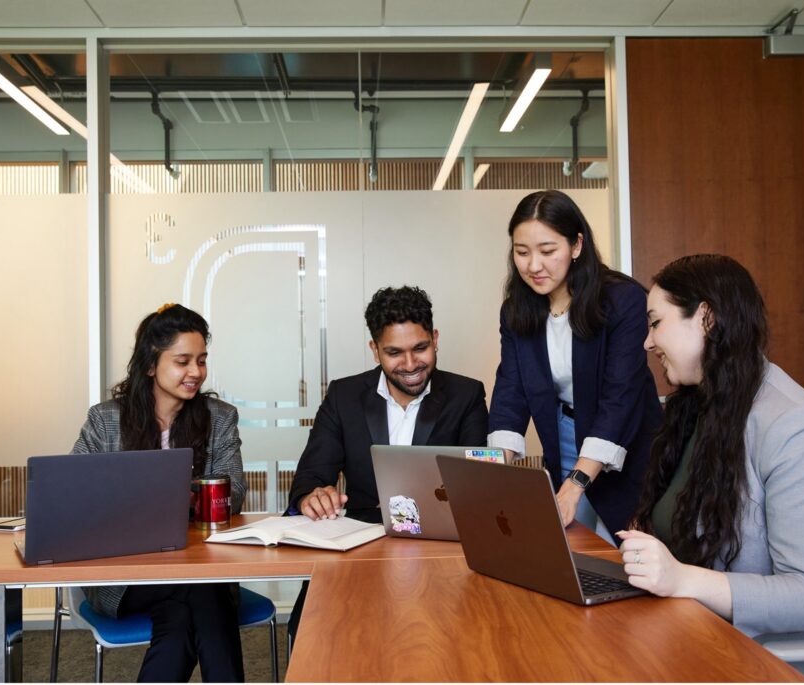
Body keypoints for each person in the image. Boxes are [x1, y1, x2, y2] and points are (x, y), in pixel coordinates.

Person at [619, 254, 804, 682]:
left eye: (656, 323)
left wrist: (680, 578)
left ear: (705, 318)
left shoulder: (795, 426)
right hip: (708, 636)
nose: (648, 342)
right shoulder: (699, 409)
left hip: (786, 662)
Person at [285, 285, 488, 637]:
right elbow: (311, 475)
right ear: (375, 350)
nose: (410, 365)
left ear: (435, 338)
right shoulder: (344, 396)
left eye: (420, 348)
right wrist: (313, 496)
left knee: (451, 634)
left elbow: (478, 485)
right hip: (361, 543)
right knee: (315, 629)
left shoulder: (466, 395)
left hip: (440, 547)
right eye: (394, 353)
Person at [71, 303, 247, 683]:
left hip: (197, 566)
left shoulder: (219, 417)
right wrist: (184, 497)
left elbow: (234, 492)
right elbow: (75, 493)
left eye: (201, 360)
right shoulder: (105, 420)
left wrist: (152, 499)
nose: (196, 372)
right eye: (183, 361)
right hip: (125, 575)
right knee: (202, 592)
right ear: (151, 364)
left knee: (183, 613)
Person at [488, 190, 662, 538]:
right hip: (564, 435)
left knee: (626, 545)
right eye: (522, 253)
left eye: (548, 251)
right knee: (572, 545)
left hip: (625, 442)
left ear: (576, 245)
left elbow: (620, 399)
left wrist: (577, 481)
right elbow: (511, 392)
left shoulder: (622, 300)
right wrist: (492, 476)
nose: (533, 266)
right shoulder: (517, 311)